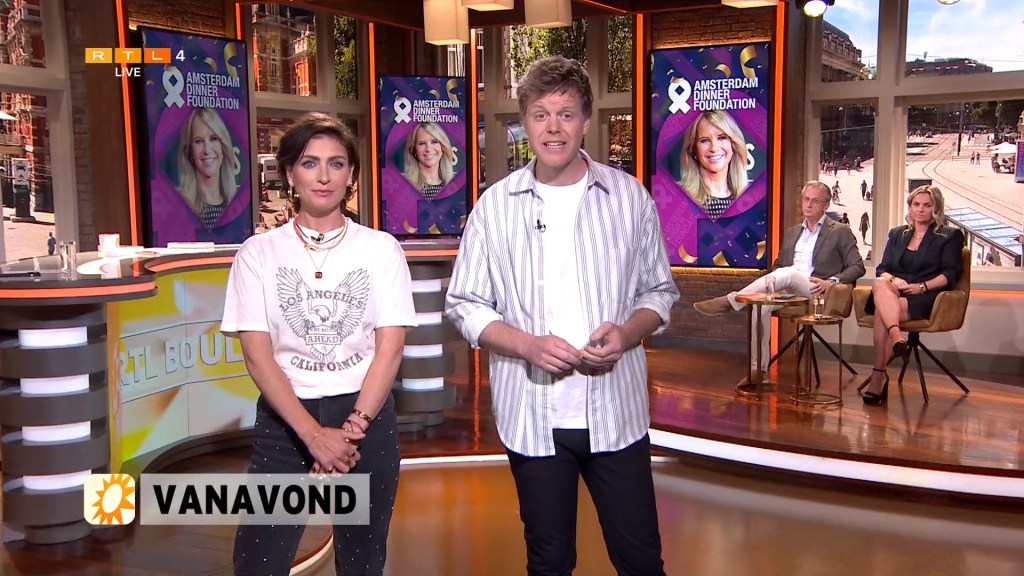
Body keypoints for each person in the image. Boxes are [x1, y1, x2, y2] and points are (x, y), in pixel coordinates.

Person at [445, 56, 679, 576]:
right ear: (525, 124)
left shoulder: (629, 198)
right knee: (549, 563)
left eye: (566, 114)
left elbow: (659, 292)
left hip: (617, 415)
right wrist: (527, 345)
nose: (553, 128)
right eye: (541, 115)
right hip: (533, 419)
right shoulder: (494, 208)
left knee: (641, 561)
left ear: (586, 121)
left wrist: (628, 332)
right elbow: (464, 304)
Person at [221, 112, 416, 575]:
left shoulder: (381, 249)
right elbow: (257, 355)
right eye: (310, 163)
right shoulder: (257, 254)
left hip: (366, 418)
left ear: (351, 175)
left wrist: (352, 429)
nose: (324, 176)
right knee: (258, 562)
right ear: (290, 174)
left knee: (363, 561)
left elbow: (389, 348)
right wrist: (312, 435)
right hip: (286, 419)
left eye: (336, 163)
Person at [693, 181, 865, 382]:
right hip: (787, 290)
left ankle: (731, 300)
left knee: (788, 273)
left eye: (815, 201)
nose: (809, 204)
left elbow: (857, 266)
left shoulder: (839, 231)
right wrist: (770, 286)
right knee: (759, 306)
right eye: (806, 199)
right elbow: (778, 266)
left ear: (826, 205)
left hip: (816, 291)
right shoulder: (793, 232)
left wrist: (832, 281)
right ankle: (758, 371)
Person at [862, 185, 964, 406]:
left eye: (927, 205)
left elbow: (950, 274)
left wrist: (922, 287)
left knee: (882, 312)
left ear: (936, 208)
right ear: (910, 206)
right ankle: (897, 338)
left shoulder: (949, 236)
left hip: (925, 296)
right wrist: (894, 280)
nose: (920, 209)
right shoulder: (897, 234)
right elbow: (882, 269)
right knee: (880, 282)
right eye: (916, 204)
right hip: (893, 291)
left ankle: (878, 375)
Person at [678, 109, 749, 220]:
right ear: (694, 149)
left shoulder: (750, 198)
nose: (714, 148)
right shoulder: (680, 198)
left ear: (734, 144)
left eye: (721, 138)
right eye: (704, 140)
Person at [177, 107, 241, 229]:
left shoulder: (237, 202)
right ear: (189, 151)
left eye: (213, 139)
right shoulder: (179, 205)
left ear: (223, 146)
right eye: (198, 141)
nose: (207, 150)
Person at [402, 121, 456, 199]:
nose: (428, 149)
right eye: (422, 143)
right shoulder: (404, 186)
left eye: (434, 142)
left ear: (443, 147)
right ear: (414, 150)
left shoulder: (455, 186)